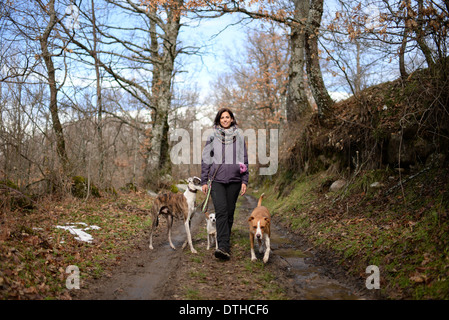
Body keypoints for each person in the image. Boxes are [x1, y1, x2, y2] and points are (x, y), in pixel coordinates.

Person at [201, 108, 249, 260]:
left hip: (235, 180)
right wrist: (204, 180)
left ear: (232, 119)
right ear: (219, 120)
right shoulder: (212, 136)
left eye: (228, 117)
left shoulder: (239, 137)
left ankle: (224, 242)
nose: (225, 120)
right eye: (222, 117)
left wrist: (244, 180)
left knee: (229, 213)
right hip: (217, 181)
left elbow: (244, 159)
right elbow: (206, 159)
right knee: (221, 212)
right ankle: (223, 247)